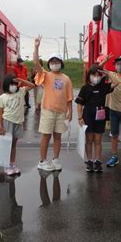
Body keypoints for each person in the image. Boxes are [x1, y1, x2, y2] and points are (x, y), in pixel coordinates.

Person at [33, 35, 73, 172]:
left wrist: (70, 112)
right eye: (52, 61)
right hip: (48, 110)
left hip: (61, 112)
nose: (54, 63)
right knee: (46, 135)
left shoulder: (66, 79)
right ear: (49, 63)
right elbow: (37, 64)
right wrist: (36, 47)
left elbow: (69, 98)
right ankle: (42, 161)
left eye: (57, 61)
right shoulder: (46, 75)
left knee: (57, 136)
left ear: (61, 63)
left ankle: (55, 159)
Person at [76, 65, 117, 173]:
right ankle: (89, 161)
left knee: (98, 140)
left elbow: (116, 82)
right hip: (87, 115)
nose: (96, 77)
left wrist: (107, 72)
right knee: (89, 140)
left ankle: (97, 161)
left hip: (100, 115)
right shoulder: (85, 88)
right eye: (94, 75)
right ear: (89, 75)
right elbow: (79, 105)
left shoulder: (103, 87)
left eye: (98, 75)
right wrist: (80, 117)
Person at [0, 74, 36, 176]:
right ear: (6, 85)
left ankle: (12, 163)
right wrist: (0, 126)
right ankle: (6, 165)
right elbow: (0, 113)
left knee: (13, 145)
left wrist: (20, 80)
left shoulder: (21, 92)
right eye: (11, 84)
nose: (14, 86)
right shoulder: (2, 97)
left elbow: (32, 85)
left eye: (15, 84)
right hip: (7, 122)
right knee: (7, 145)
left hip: (18, 122)